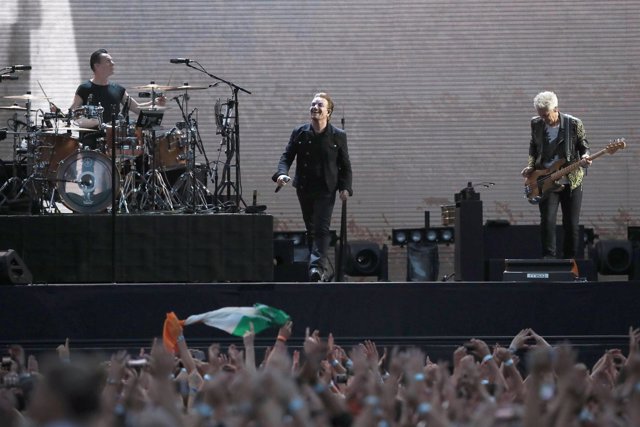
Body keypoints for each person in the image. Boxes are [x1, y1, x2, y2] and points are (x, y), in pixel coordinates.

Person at [273, 92, 352, 282]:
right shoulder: (300, 132)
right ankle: (316, 269)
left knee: (321, 228)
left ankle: (316, 267)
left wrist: (345, 187)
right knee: (310, 229)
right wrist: (281, 174)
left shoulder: (338, 136)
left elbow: (345, 165)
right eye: (313, 104)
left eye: (319, 105)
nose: (315, 108)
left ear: (328, 112)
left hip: (326, 188)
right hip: (305, 187)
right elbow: (287, 156)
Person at [521, 91, 591, 259]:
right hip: (546, 180)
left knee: (572, 224)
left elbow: (583, 145)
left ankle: (569, 261)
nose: (544, 119)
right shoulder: (536, 123)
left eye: (546, 115)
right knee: (547, 221)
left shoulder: (574, 123)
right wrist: (531, 166)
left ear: (556, 109)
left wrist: (586, 156)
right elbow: (533, 147)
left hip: (571, 179)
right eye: (541, 116)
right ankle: (549, 258)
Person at [68, 48, 165, 148]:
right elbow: (72, 112)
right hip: (90, 144)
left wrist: (154, 103)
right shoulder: (84, 88)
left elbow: (137, 108)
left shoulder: (118, 89)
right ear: (97, 66)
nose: (112, 63)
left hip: (115, 143)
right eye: (108, 61)